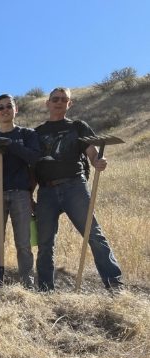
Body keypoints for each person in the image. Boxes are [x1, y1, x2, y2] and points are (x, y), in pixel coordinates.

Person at [34, 87, 123, 291]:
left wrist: (98, 161)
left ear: (69, 104)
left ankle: (114, 284)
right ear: (47, 103)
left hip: (74, 186)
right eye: (55, 99)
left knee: (93, 234)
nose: (59, 102)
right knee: (45, 242)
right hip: (46, 191)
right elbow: (33, 166)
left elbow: (92, 152)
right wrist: (30, 194)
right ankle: (46, 289)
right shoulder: (38, 133)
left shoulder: (78, 126)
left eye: (64, 100)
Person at [0, 94, 40, 287]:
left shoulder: (27, 135)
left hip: (21, 193)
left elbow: (35, 158)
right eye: (0, 107)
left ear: (16, 109)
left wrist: (11, 146)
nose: (5, 110)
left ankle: (26, 281)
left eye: (8, 106)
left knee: (23, 241)